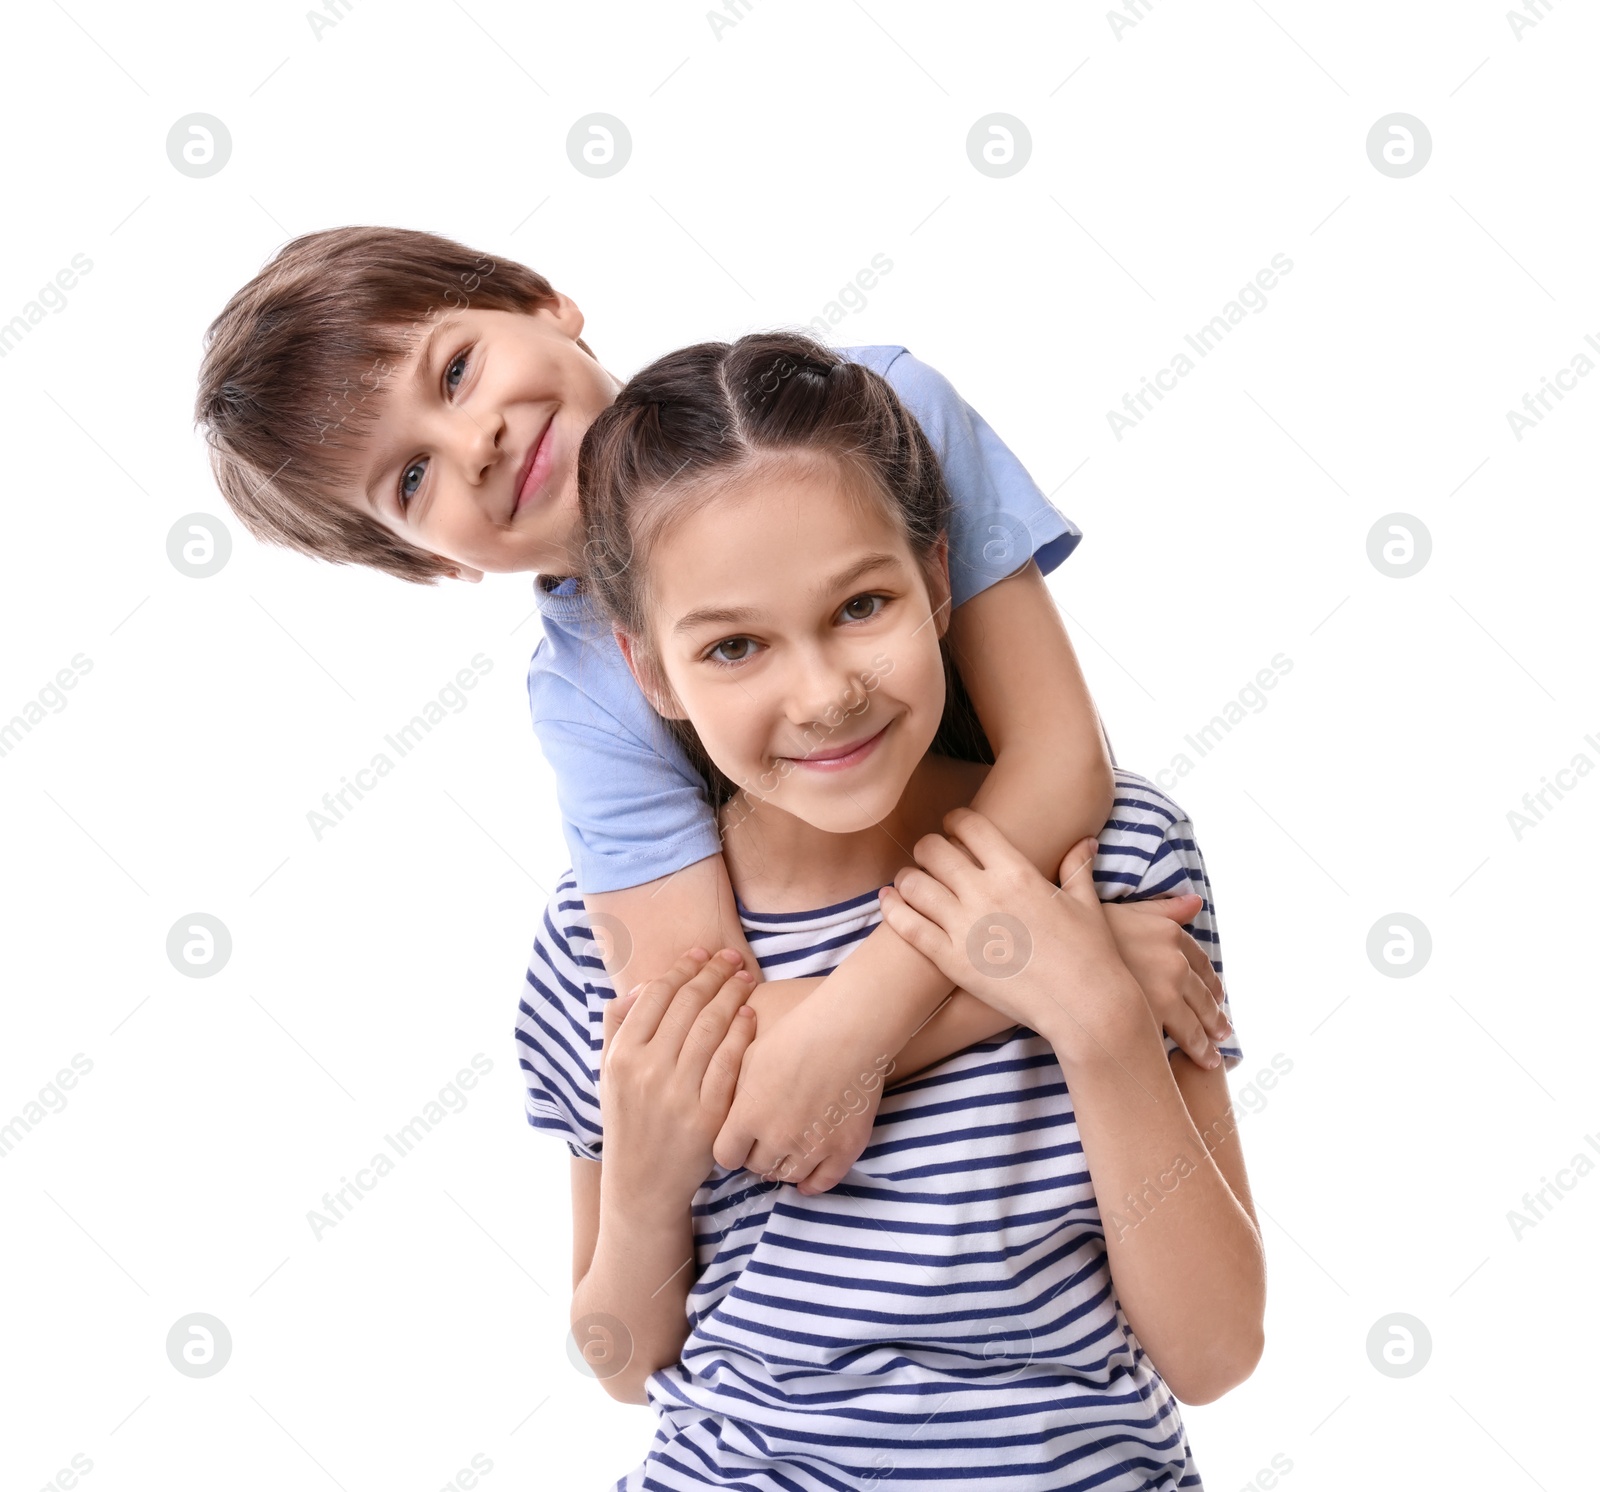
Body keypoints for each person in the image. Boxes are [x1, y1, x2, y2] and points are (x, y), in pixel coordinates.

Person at [194, 227, 1232, 1192]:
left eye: (456, 372)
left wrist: (865, 1020)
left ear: (543, 300)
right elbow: (710, 1043)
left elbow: (1057, 760)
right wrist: (1049, 971)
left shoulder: (882, 415)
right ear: (430, 560)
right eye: (413, 477)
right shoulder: (579, 698)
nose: (475, 446)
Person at [515, 331, 1265, 1489]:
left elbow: (1214, 1351)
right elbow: (621, 1360)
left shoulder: (1113, 859)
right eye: (733, 646)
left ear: (936, 578)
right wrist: (647, 1189)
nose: (821, 694)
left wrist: (1097, 1014)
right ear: (649, 670)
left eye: (861, 604)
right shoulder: (599, 947)